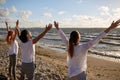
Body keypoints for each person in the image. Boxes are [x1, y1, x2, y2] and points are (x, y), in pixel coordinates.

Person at [54, 19, 120, 80]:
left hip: (71, 75)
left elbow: (63, 36)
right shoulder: (84, 47)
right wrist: (110, 28)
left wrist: (58, 28)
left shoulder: (69, 46)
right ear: (78, 39)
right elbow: (98, 37)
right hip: (80, 75)